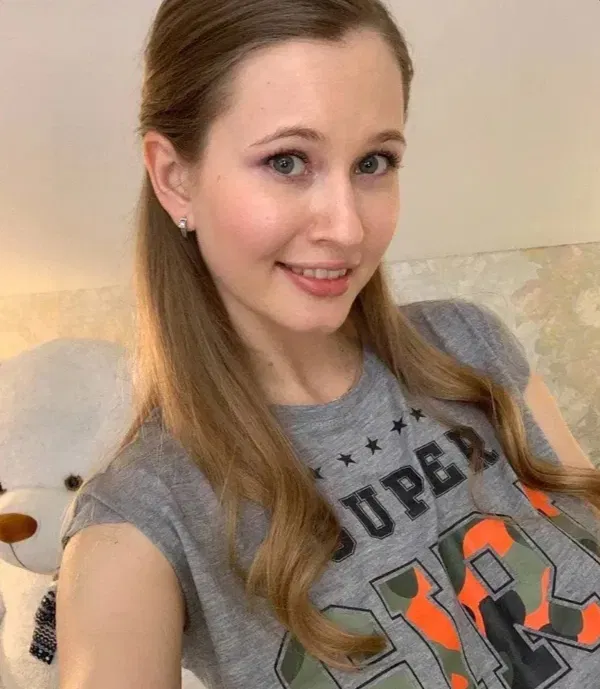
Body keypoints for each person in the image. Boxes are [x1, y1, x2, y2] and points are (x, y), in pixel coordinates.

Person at [56, 0, 600, 688]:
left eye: (374, 161)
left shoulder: (470, 344)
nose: (347, 228)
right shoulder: (140, 521)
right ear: (174, 178)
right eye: (287, 161)